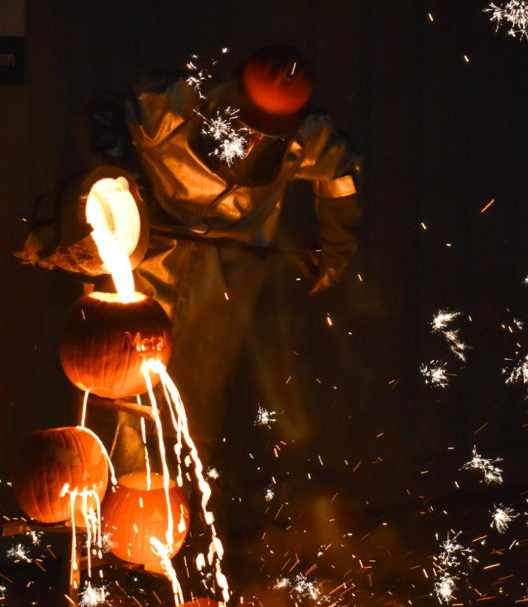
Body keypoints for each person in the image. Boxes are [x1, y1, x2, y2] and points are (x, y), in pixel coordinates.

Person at [30, 44, 363, 478]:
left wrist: (335, 248)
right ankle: (107, 495)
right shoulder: (175, 101)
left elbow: (341, 177)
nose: (248, 144)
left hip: (226, 279)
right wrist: (123, 180)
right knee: (116, 378)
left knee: (197, 398)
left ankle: (179, 510)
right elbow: (98, 115)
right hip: (146, 258)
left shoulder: (308, 135)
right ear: (232, 92)